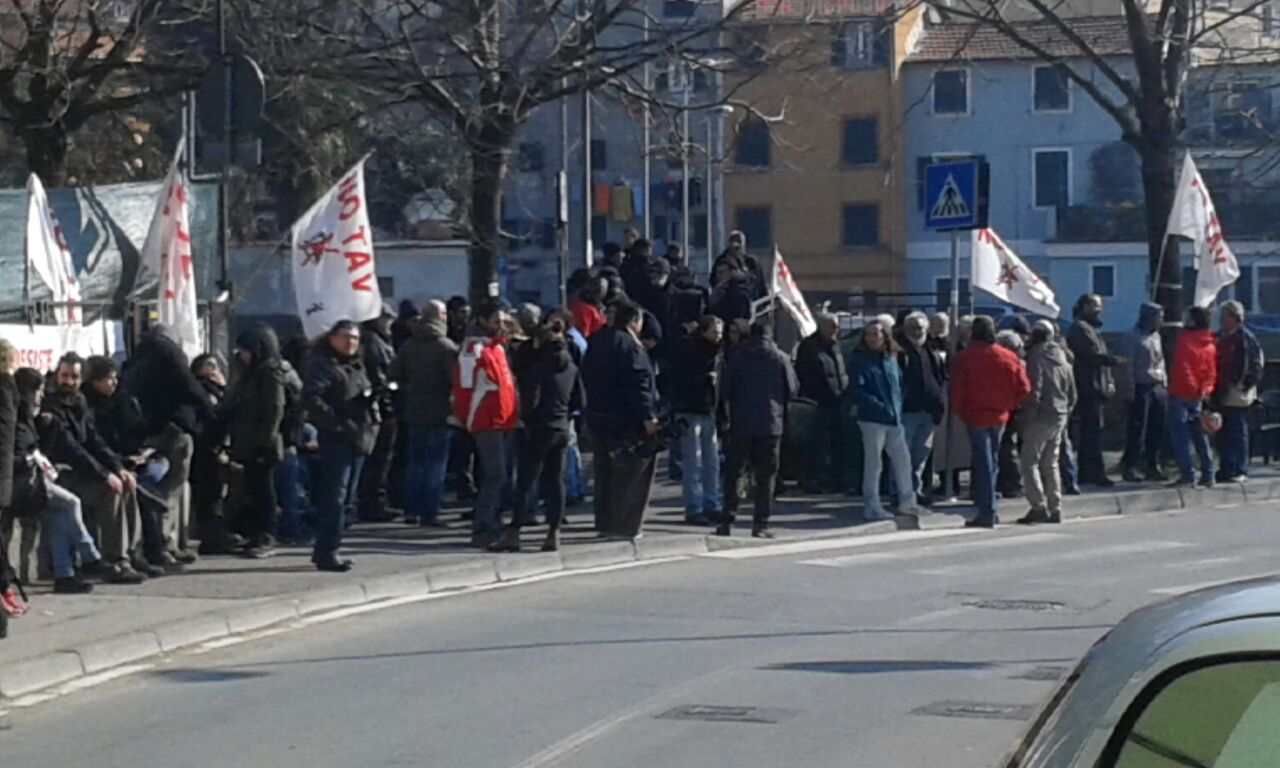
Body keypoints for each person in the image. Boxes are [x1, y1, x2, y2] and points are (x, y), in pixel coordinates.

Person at [43, 354, 148, 583]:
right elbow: (71, 448)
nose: (69, 382)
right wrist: (105, 475)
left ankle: (132, 553)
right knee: (109, 491)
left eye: (74, 377)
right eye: (64, 376)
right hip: (61, 472)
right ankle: (114, 561)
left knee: (128, 484)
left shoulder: (79, 402)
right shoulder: (50, 404)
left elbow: (94, 441)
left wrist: (117, 468)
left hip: (82, 469)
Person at [491, 315, 585, 553]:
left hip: (538, 427)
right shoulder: (571, 366)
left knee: (525, 481)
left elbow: (531, 399)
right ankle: (553, 532)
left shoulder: (538, 367)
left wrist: (525, 418)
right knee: (555, 480)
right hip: (561, 426)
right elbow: (580, 399)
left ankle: (514, 532)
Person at [12, 367, 100, 593]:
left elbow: (41, 448)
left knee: (58, 513)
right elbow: (18, 454)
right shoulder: (15, 417)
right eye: (38, 391)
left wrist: (49, 429)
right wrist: (31, 461)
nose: (41, 396)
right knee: (71, 503)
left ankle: (65, 574)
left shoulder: (31, 416)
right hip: (19, 484)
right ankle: (89, 555)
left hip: (33, 479)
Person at [81, 356, 170, 575]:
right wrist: (118, 464)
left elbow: (132, 432)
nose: (113, 384)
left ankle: (135, 552)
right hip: (101, 465)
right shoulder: (88, 406)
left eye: (114, 378)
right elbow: (90, 444)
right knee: (129, 487)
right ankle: (123, 556)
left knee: (141, 479)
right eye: (107, 379)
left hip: (123, 460)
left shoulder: (122, 400)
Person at [303, 321, 379, 572]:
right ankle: (326, 551)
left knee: (346, 499)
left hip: (359, 437)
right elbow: (313, 399)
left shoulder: (356, 364)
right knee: (334, 497)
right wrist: (336, 424)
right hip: (338, 439)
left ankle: (332, 546)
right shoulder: (323, 364)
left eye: (355, 338)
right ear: (332, 338)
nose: (351, 342)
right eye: (345, 337)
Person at [581, 301, 659, 541]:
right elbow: (638, 385)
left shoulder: (596, 340)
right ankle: (625, 525)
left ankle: (604, 522)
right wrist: (647, 416)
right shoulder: (630, 347)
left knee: (604, 472)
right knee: (632, 472)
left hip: (597, 415)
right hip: (626, 419)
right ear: (634, 321)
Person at [950, 316, 1031, 528]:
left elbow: (957, 390)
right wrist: (1009, 405)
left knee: (983, 462)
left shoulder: (964, 358)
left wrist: (961, 412)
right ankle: (990, 507)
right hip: (1000, 414)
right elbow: (1024, 388)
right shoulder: (1008, 356)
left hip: (975, 414)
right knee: (992, 460)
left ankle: (987, 510)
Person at [718, 321, 797, 538]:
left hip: (741, 423)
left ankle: (727, 520)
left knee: (734, 474)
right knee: (766, 477)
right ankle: (760, 524)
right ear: (769, 335)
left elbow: (725, 390)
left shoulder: (736, 358)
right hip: (770, 424)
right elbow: (792, 389)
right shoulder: (779, 357)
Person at [452, 300, 518, 548]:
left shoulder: (498, 348)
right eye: (496, 321)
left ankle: (492, 522)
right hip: (486, 419)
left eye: (503, 320)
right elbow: (464, 388)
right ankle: (483, 527)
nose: (501, 325)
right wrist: (468, 417)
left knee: (498, 475)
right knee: (495, 474)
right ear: (482, 321)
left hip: (503, 419)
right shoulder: (474, 349)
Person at [391, 300, 458, 527]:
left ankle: (411, 509)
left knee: (416, 462)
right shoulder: (446, 347)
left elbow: (395, 374)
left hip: (413, 410)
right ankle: (430, 512)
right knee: (435, 464)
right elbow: (453, 380)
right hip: (440, 410)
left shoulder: (408, 345)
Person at [849, 319, 923, 523]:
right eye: (869, 334)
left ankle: (908, 501)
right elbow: (858, 390)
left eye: (876, 333)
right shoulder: (860, 359)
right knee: (874, 464)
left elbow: (899, 385)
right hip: (872, 419)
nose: (872, 337)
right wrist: (880, 408)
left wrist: (897, 407)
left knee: (903, 460)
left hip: (894, 418)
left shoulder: (892, 358)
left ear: (885, 336)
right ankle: (872, 505)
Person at [224, 326, 287, 558]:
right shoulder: (247, 373)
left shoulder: (270, 373)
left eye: (246, 350)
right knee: (252, 487)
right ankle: (254, 532)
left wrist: (265, 440)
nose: (243, 355)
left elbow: (274, 409)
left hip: (263, 442)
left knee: (264, 489)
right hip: (246, 439)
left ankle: (267, 533)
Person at [1017, 321, 1077, 525]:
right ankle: (1056, 506)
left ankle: (1038, 506)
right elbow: (1072, 393)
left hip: (1041, 415)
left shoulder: (1036, 358)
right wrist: (1066, 412)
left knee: (1029, 461)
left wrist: (1026, 418)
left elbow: (1035, 391)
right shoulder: (1063, 359)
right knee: (1051, 463)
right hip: (1060, 414)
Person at [670, 315, 724, 524]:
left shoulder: (717, 353)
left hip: (708, 409)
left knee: (712, 461)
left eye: (719, 333)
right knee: (694, 461)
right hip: (691, 409)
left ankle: (711, 503)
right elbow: (680, 381)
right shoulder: (689, 351)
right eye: (714, 332)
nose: (718, 337)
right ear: (703, 332)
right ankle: (694, 506)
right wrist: (705, 379)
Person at [1067, 294, 1124, 488]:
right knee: (1091, 432)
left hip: (1096, 386)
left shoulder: (1091, 329)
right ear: (1084, 307)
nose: (1099, 310)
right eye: (1095, 306)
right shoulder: (1080, 329)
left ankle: (1088, 472)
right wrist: (1115, 360)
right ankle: (1094, 473)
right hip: (1087, 386)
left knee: (1092, 432)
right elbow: (1093, 355)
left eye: (1100, 306)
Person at [795, 313, 849, 493]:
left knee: (837, 442)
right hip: (818, 402)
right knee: (816, 443)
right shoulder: (809, 346)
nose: (836, 330)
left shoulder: (835, 346)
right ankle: (812, 480)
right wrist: (819, 394)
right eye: (833, 326)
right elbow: (805, 374)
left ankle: (836, 479)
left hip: (837, 401)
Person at [1168, 307, 1219, 488]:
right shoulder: (1210, 344)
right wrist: (1204, 390)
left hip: (1181, 392)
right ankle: (1208, 473)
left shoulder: (1186, 341)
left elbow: (1183, 367)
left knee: (1181, 436)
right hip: (1199, 396)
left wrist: (1190, 387)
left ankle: (1188, 474)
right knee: (1200, 435)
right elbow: (1211, 372)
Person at [898, 311, 946, 503]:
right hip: (908, 410)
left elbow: (939, 377)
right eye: (913, 328)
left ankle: (915, 491)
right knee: (903, 456)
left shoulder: (930, 350)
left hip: (929, 411)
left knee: (920, 456)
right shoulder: (899, 351)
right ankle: (900, 493)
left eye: (920, 328)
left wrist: (939, 402)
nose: (917, 332)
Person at [357, 304, 399, 523]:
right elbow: (379, 374)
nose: (390, 322)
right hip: (382, 406)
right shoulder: (373, 342)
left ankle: (374, 500)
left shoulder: (376, 340)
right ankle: (372, 502)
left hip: (382, 405)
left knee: (380, 458)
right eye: (387, 318)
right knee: (379, 458)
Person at [1118, 302, 1168, 482]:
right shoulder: (1131, 337)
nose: (1161, 321)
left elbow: (1161, 360)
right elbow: (1127, 365)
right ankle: (1130, 465)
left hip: (1157, 386)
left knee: (1157, 428)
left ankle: (1153, 465)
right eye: (1158, 317)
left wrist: (1165, 383)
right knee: (1137, 428)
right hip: (1140, 387)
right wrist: (1129, 388)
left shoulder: (1156, 336)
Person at [1214, 301, 1263, 482]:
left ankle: (1240, 468)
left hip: (1238, 391)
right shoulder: (1219, 337)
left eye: (1225, 316)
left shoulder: (1246, 338)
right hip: (1220, 389)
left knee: (1238, 431)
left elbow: (1256, 365)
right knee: (1222, 432)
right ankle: (1225, 467)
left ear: (1235, 318)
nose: (1221, 320)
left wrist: (1246, 385)